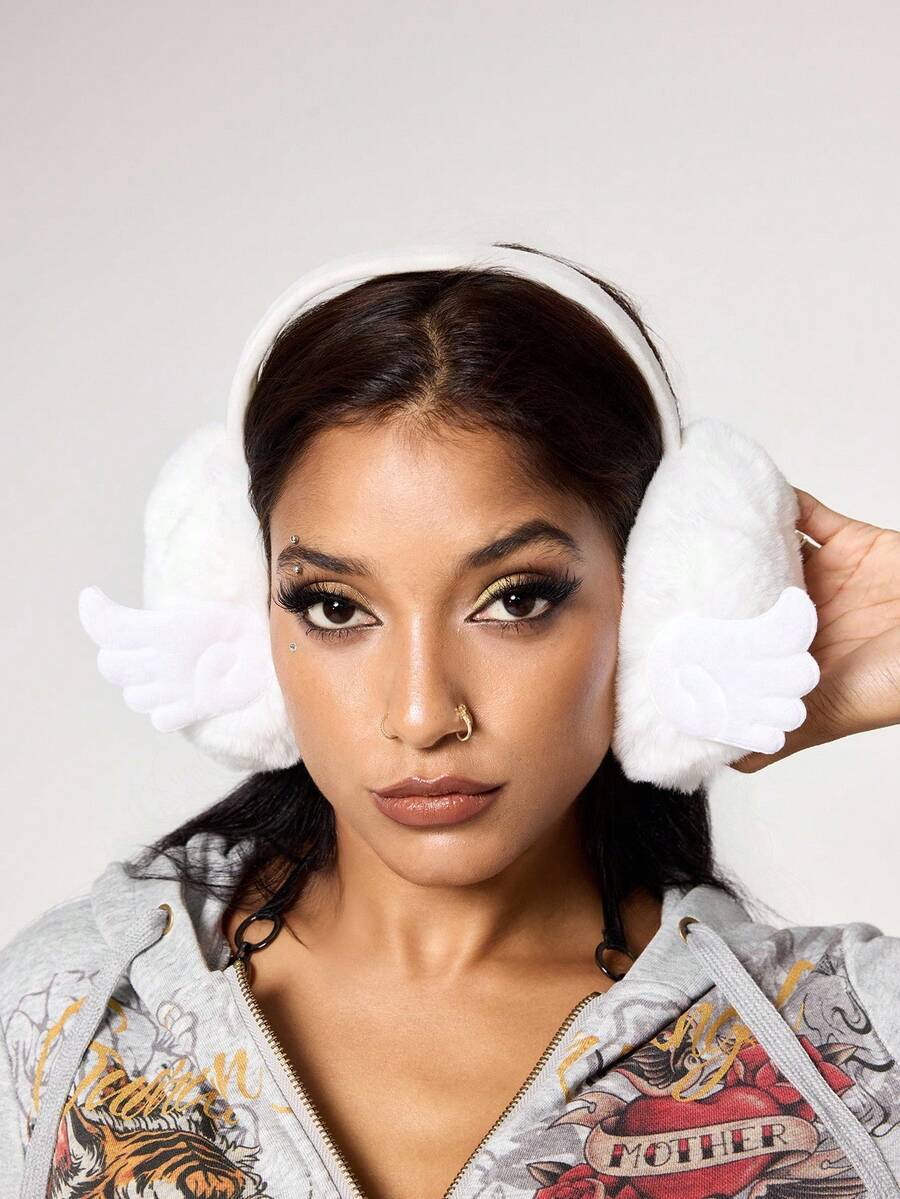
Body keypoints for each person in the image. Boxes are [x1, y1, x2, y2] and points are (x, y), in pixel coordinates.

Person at [1, 243, 898, 1199]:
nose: (423, 714)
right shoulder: (67, 1011)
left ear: (655, 605)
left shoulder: (855, 1047)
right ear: (245, 610)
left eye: (516, 599)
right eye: (335, 606)